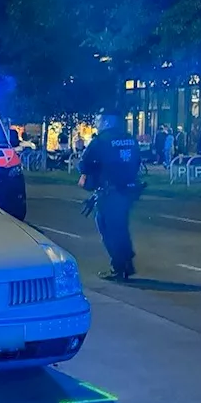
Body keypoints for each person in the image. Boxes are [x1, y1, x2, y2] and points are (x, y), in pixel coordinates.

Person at [78, 107, 142, 281]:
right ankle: (126, 262)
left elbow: (84, 164)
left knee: (107, 227)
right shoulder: (129, 139)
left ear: (106, 121)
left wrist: (91, 176)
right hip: (128, 190)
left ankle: (120, 266)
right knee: (120, 226)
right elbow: (137, 161)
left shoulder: (101, 141)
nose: (97, 123)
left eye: (99, 119)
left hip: (109, 191)